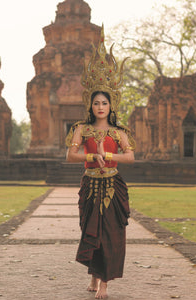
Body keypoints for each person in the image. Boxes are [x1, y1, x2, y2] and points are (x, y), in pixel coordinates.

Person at [66, 25, 135, 299]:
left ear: (111, 104)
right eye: (96, 103)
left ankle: (104, 283)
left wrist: (109, 155)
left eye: (104, 102)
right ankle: (94, 274)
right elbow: (71, 155)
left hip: (113, 186)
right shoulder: (81, 128)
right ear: (90, 105)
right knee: (90, 230)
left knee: (111, 233)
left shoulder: (119, 132)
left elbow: (130, 156)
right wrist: (89, 156)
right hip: (90, 185)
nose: (100, 107)